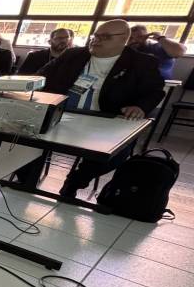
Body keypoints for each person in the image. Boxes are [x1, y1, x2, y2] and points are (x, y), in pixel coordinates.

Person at [26, 19, 165, 198]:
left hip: (106, 118)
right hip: (61, 113)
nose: (96, 40)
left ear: (124, 39)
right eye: (95, 36)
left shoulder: (142, 62)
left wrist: (140, 107)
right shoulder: (73, 54)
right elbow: (40, 76)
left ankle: (75, 181)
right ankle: (26, 180)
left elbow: (155, 91)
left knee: (118, 152)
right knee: (21, 134)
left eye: (105, 37)